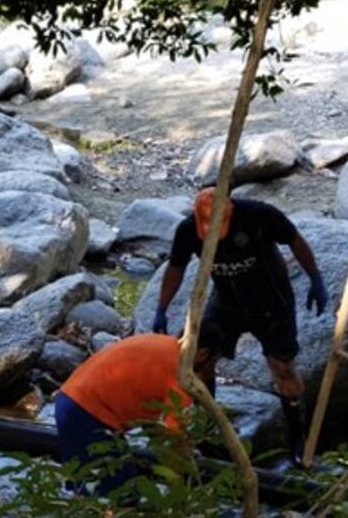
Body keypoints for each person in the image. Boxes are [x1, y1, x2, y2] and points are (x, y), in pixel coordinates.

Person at [152, 188, 329, 463]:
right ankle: (209, 431)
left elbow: (295, 240)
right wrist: (161, 308)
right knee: (198, 358)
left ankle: (298, 437)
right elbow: (175, 268)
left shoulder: (258, 215)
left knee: (282, 366)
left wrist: (315, 277)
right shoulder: (187, 230)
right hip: (226, 301)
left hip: (271, 300)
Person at [54, 327, 222, 489]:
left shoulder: (162, 344)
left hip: (69, 400)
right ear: (202, 354)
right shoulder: (180, 376)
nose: (212, 372)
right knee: (120, 493)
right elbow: (174, 441)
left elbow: (153, 428)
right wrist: (181, 486)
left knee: (84, 485)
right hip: (86, 414)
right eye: (213, 362)